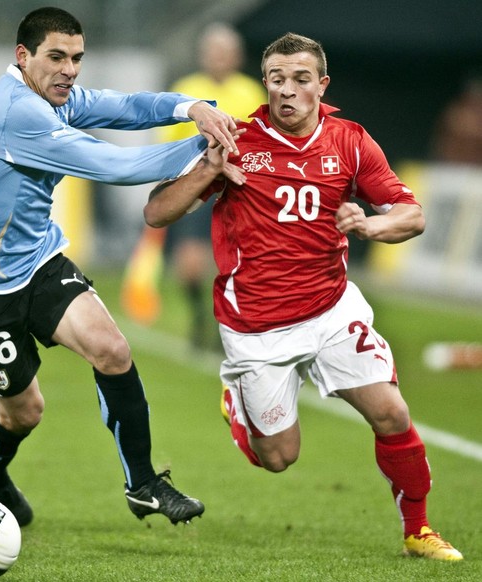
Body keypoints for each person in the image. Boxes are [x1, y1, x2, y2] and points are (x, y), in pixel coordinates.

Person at [143, 32, 463, 560]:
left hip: (331, 309)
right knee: (278, 457)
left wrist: (372, 227)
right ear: (265, 82)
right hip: (256, 325)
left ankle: (418, 530)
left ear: (322, 84)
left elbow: (413, 213)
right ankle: (238, 406)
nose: (287, 90)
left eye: (300, 79)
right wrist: (208, 168)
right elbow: (156, 213)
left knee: (392, 414)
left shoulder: (350, 141)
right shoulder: (236, 138)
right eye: (277, 79)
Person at [0, 6, 241, 528]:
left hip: (36, 261)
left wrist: (194, 109)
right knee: (24, 410)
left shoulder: (51, 97)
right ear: (22, 57)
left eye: (76, 58)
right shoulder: (17, 113)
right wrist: (203, 149)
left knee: (112, 349)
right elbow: (114, 166)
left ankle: (142, 483)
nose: (70, 70)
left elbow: (125, 107)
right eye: (56, 57)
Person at [121, 23, 266, 350]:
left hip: (241, 189)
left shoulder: (252, 93)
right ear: (204, 55)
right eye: (214, 52)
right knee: (190, 265)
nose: (220, 59)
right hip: (200, 185)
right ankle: (201, 315)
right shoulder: (186, 92)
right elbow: (167, 147)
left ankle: (234, 321)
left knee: (246, 264)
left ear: (237, 57)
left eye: (226, 53)